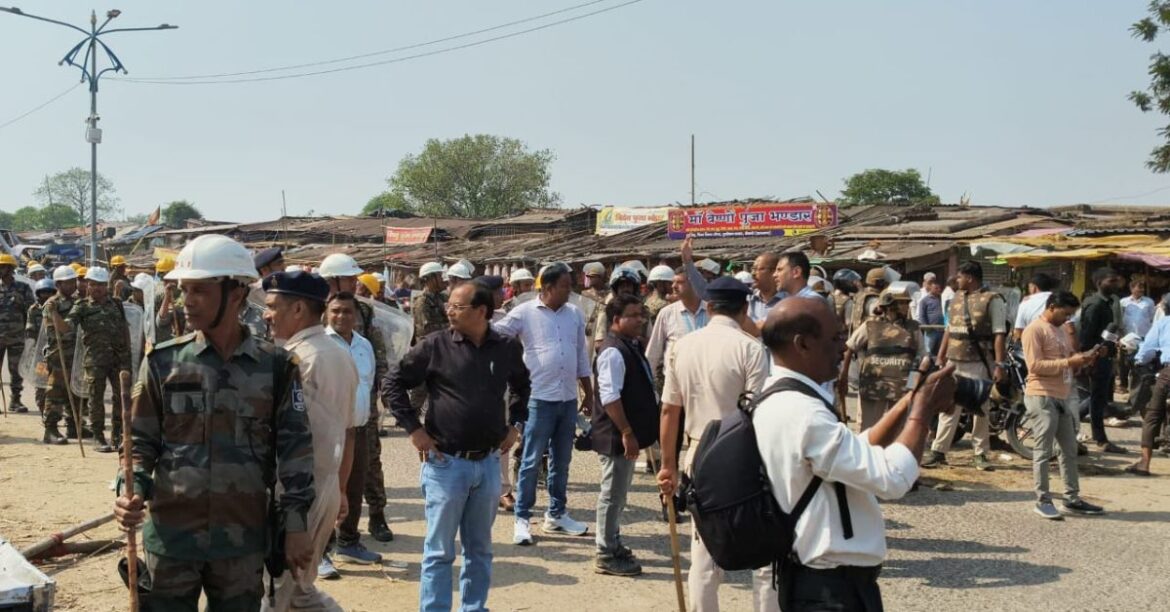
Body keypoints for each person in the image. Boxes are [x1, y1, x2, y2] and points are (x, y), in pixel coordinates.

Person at [112, 234, 316, 611]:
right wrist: (130, 489)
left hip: (242, 541)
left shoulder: (276, 366)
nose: (186, 301)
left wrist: (297, 524)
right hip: (172, 540)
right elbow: (139, 443)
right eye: (183, 290)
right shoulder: (162, 363)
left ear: (236, 293)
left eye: (199, 291)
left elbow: (296, 452)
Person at [756, 297, 957, 611]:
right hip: (829, 590)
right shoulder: (803, 413)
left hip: (818, 582)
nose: (844, 348)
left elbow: (854, 451)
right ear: (803, 344)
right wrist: (922, 411)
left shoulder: (778, 399)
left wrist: (909, 401)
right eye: (835, 338)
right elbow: (892, 479)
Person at [384, 282, 530, 612]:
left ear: (481, 311)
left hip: (488, 464)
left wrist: (515, 425)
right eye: (448, 305)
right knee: (439, 551)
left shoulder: (506, 347)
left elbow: (523, 387)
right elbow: (393, 384)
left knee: (479, 549)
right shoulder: (435, 345)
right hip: (446, 464)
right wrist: (414, 430)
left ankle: (474, 607)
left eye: (457, 306)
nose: (449, 311)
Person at [656, 276, 775, 612]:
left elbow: (669, 410)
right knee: (764, 554)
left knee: (704, 553)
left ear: (708, 307)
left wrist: (667, 466)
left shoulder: (682, 346)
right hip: (746, 459)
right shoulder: (751, 348)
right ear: (744, 308)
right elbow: (759, 413)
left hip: (698, 455)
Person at [262, 269, 358, 611]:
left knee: (274, 593)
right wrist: (341, 488)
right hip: (323, 487)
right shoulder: (337, 353)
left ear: (298, 309)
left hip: (299, 494)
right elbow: (349, 431)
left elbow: (293, 444)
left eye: (273, 306)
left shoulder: (299, 360)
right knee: (299, 592)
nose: (266, 314)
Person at [493, 262, 595, 546]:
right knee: (530, 460)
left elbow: (581, 356)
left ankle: (556, 515)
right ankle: (522, 519)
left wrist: (588, 390)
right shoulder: (524, 313)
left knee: (561, 461)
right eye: (565, 285)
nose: (570, 290)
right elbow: (497, 332)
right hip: (538, 399)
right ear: (548, 288)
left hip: (567, 400)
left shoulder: (574, 313)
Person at [317, 254, 395, 546]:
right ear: (332, 280)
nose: (355, 282)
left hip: (362, 406)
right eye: (349, 278)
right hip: (329, 410)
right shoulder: (315, 313)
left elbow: (377, 351)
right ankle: (325, 541)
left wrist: (384, 389)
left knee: (369, 465)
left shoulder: (364, 310)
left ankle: (376, 516)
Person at [1021, 290, 1107, 519]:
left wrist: (1089, 357)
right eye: (1065, 313)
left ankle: (1071, 498)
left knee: (1068, 451)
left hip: (1062, 395)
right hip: (1041, 395)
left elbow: (1070, 359)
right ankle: (1043, 499)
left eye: (1071, 314)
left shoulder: (1060, 330)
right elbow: (1035, 366)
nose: (1067, 318)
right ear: (1051, 307)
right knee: (1042, 450)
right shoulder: (1033, 330)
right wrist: (1069, 361)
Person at [592, 294, 659, 577]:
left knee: (619, 494)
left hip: (626, 434)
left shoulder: (630, 346)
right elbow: (610, 397)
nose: (640, 320)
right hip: (617, 435)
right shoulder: (612, 351)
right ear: (616, 320)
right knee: (612, 494)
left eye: (640, 315)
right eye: (633, 315)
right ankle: (606, 552)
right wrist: (627, 432)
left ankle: (614, 542)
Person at [923, 261, 1005, 471]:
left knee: (980, 408)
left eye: (959, 276)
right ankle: (939, 451)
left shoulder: (992, 300)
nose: (956, 280)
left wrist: (999, 364)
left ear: (970, 277)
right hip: (953, 361)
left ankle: (980, 454)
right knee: (948, 406)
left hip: (978, 362)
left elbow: (998, 334)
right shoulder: (956, 298)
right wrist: (940, 357)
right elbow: (949, 330)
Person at [323, 292, 380, 579]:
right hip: (328, 431)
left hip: (358, 428)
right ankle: (321, 551)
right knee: (326, 491)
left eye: (347, 311)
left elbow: (369, 385)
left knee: (355, 488)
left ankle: (348, 542)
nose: (342, 316)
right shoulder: (321, 345)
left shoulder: (364, 345)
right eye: (336, 311)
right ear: (326, 313)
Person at [62, 267, 131, 453]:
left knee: (121, 398)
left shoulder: (116, 303)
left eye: (101, 284)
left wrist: (128, 355)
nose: (97, 288)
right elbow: (67, 327)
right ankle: (98, 437)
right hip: (95, 361)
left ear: (106, 286)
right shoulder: (82, 306)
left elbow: (124, 328)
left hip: (118, 359)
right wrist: (54, 316)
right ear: (87, 286)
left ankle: (118, 435)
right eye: (93, 284)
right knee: (96, 399)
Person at [838, 287, 927, 430]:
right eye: (903, 303)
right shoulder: (871, 325)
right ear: (892, 305)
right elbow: (850, 347)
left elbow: (922, 357)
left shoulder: (913, 327)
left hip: (902, 387)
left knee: (898, 429)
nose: (907, 307)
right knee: (869, 429)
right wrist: (844, 376)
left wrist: (913, 384)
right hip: (874, 385)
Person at [1077, 267, 1128, 454]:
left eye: (1116, 280)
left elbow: (1108, 332)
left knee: (1098, 398)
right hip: (1096, 358)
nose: (1115, 284)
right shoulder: (1095, 304)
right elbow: (1087, 335)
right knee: (1097, 401)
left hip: (1106, 356)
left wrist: (1114, 345)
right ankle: (1101, 440)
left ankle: (1081, 426)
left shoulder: (1108, 303)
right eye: (1111, 281)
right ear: (1099, 283)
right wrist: (1092, 356)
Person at [646, 267, 709, 392]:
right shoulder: (667, 313)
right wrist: (647, 383)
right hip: (674, 387)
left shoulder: (712, 312)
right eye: (673, 282)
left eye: (679, 282)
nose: (673, 286)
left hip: (706, 385)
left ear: (694, 283)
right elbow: (654, 351)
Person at [1128, 306, 1170, 476]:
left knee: (1153, 414)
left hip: (1168, 373)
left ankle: (1144, 463)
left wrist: (1139, 361)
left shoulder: (1164, 322)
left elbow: (1148, 349)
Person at [43, 266, 83, 440]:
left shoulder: (77, 301)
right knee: (56, 393)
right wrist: (53, 313)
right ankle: (50, 430)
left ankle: (74, 427)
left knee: (75, 392)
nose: (73, 285)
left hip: (76, 354)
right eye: (68, 282)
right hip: (59, 354)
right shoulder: (52, 304)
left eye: (73, 281)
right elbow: (62, 330)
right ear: (59, 284)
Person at [0, 253, 33, 413]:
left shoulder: (23, 288)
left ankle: (15, 400)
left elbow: (31, 311)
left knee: (16, 370)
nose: (0, 269)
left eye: (3, 266)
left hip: (17, 336)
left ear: (10, 268)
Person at [27, 278, 58, 439]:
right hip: (41, 357)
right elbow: (30, 332)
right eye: (43, 293)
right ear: (38, 294)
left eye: (49, 292)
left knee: (57, 389)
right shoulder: (34, 310)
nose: (46, 296)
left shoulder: (57, 307)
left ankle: (57, 419)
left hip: (57, 353)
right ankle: (44, 416)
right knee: (41, 387)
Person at [1119, 279, 1155, 391]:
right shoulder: (1124, 302)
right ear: (1132, 288)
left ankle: (1137, 386)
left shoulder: (1149, 302)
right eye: (1138, 287)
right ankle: (1124, 385)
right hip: (1127, 337)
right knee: (1124, 362)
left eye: (1142, 288)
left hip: (1143, 336)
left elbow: (1152, 318)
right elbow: (1120, 318)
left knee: (1140, 361)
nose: (1141, 290)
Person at [1012, 272, 1059, 343]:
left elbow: (1018, 331)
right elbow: (1070, 329)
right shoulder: (1058, 299)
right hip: (1056, 345)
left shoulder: (1025, 303)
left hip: (1032, 344)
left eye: (1029, 287)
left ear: (1034, 287)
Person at [413, 262, 450, 341]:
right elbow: (426, 329)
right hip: (429, 348)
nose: (442, 279)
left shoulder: (442, 297)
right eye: (439, 275)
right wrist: (452, 325)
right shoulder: (422, 302)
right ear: (430, 279)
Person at [747, 252, 782, 324]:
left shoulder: (788, 302)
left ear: (774, 272)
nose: (753, 273)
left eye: (758, 269)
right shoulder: (747, 299)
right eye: (753, 269)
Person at [850, 267, 887, 333]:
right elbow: (878, 322)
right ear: (880, 283)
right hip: (870, 337)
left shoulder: (860, 294)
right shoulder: (875, 300)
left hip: (858, 335)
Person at [916, 274, 945, 356]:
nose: (938, 290)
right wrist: (927, 328)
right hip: (931, 331)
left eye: (939, 288)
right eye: (936, 288)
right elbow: (922, 316)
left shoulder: (942, 298)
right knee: (928, 351)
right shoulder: (925, 301)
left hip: (941, 330)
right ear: (931, 288)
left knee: (940, 352)